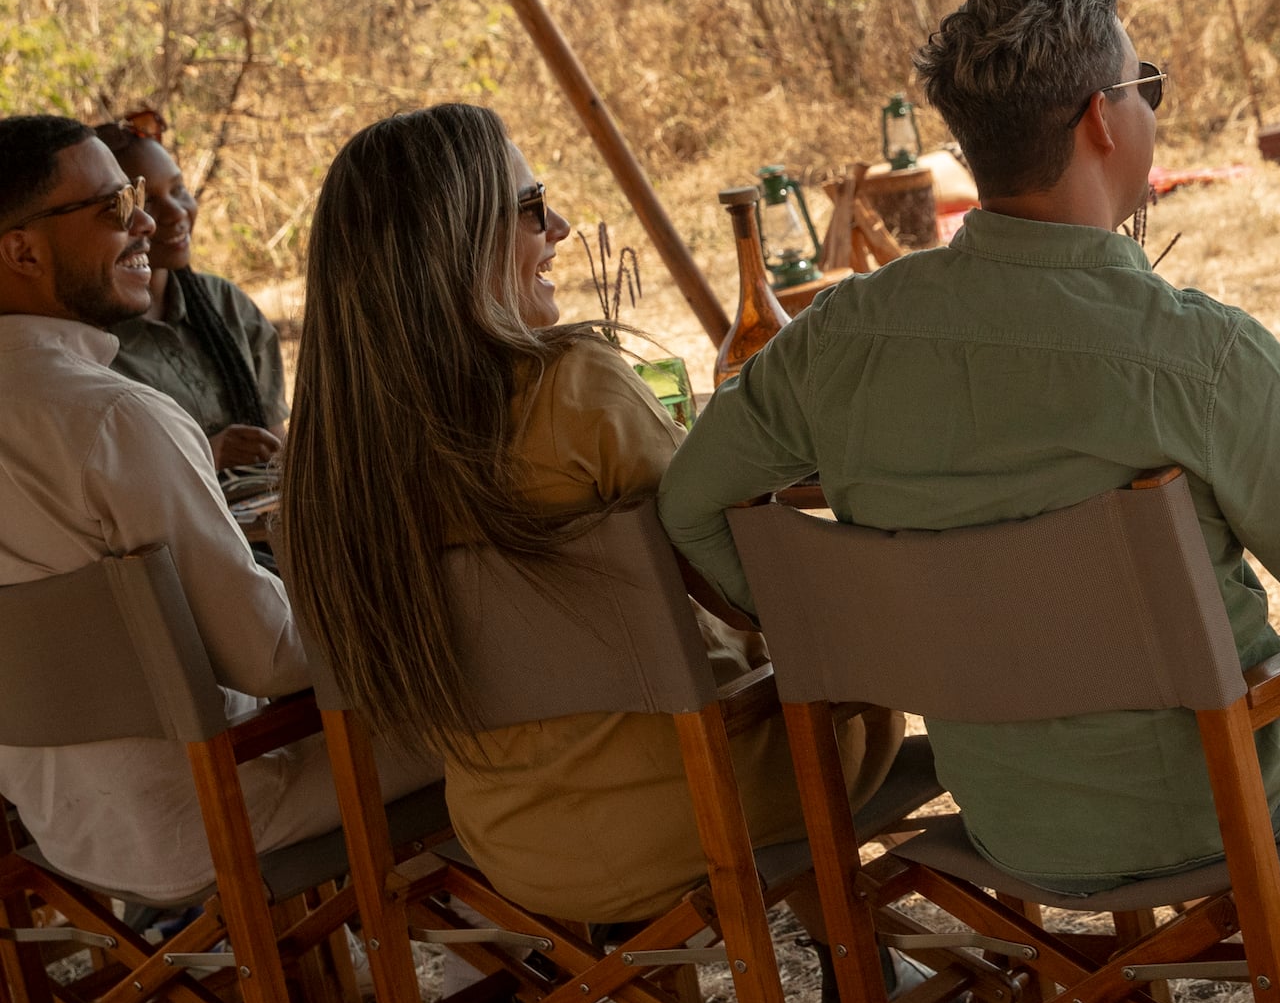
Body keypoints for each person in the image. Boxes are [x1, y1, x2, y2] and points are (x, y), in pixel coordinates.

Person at [661, 0, 1280, 1003]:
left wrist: (835, 634)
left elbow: (689, 500)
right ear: (1101, 118)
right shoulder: (1198, 351)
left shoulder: (837, 341)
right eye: (1147, 86)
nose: (1147, 107)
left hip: (1003, 809)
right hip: (1218, 795)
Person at [278, 103, 902, 930]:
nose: (562, 227)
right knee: (849, 679)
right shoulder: (575, 391)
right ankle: (864, 958)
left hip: (513, 844)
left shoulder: (326, 474)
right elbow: (750, 588)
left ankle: (845, 963)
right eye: (533, 207)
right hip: (708, 806)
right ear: (456, 241)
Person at [0, 114, 430, 904]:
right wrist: (411, 582)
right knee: (484, 688)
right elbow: (268, 657)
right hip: (219, 808)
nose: (144, 223)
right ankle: (524, 985)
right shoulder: (110, 418)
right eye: (110, 207)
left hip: (64, 826)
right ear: (22, 250)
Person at [93, 115, 287, 476]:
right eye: (146, 201)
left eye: (178, 189)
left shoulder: (224, 303)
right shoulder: (90, 343)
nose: (176, 212)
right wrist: (207, 454)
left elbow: (275, 449)